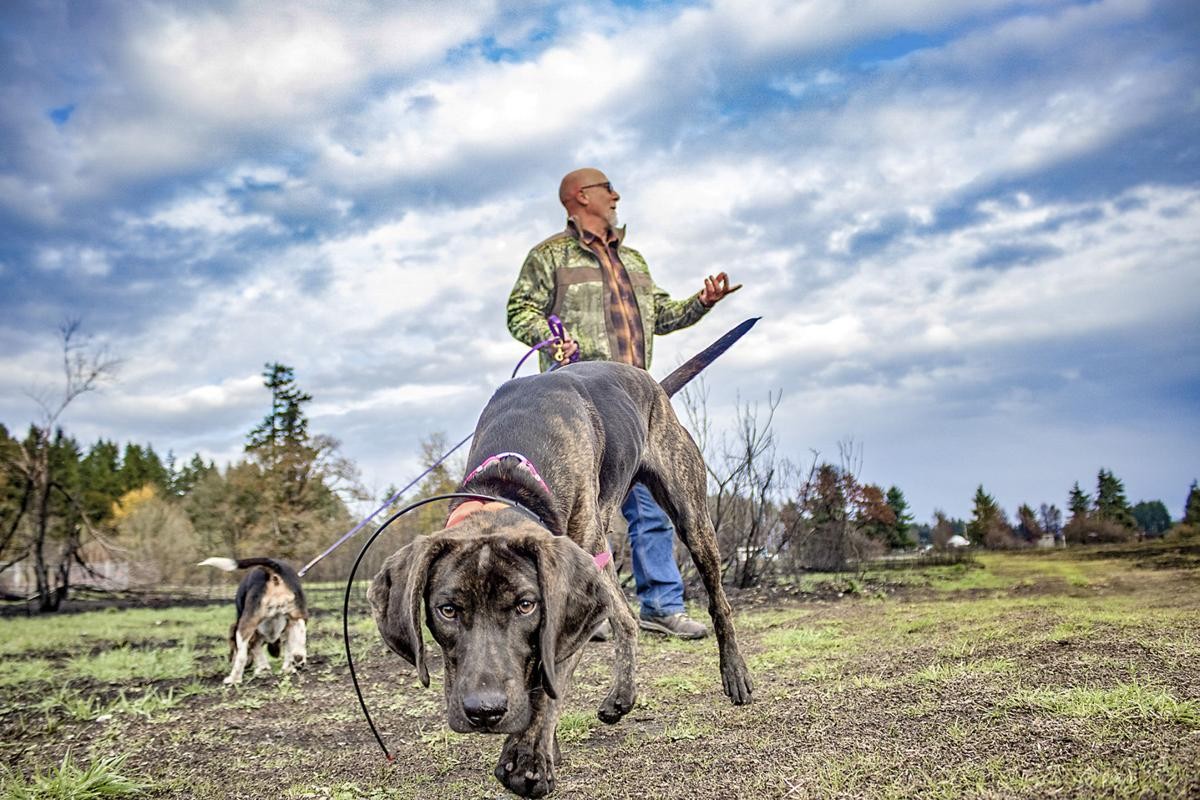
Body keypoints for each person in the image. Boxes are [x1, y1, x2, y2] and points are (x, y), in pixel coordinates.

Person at [506, 167, 741, 639]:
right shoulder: (548, 257)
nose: (616, 195)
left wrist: (702, 302)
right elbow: (519, 312)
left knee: (653, 507)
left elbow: (664, 315)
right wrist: (550, 340)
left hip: (634, 403)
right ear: (579, 197)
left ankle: (660, 606)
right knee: (581, 511)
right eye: (606, 188)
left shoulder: (634, 259)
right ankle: (586, 612)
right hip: (574, 409)